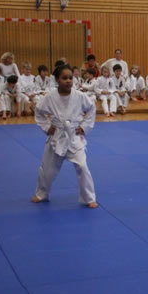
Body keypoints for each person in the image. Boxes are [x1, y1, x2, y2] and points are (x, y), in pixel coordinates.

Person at [32, 65, 98, 208]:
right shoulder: (49, 97)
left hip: (74, 136)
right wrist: (46, 127)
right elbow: (39, 112)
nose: (68, 81)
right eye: (64, 78)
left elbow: (91, 108)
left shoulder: (80, 96)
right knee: (48, 169)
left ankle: (89, 198)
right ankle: (41, 193)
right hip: (57, 136)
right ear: (57, 80)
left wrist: (84, 127)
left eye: (70, 78)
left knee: (82, 166)